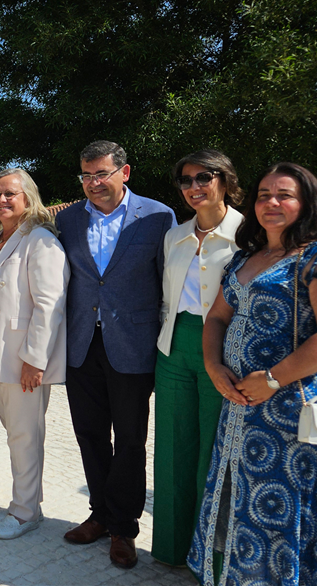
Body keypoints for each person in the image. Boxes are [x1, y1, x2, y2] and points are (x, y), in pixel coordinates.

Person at [189, 163, 317, 586]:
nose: (272, 203)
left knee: (278, 508)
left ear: (306, 203)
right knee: (237, 497)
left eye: (285, 195)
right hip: (239, 407)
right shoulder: (247, 257)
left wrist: (274, 378)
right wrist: (214, 367)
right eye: (264, 195)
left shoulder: (312, 257)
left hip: (286, 411)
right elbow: (216, 319)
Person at [56, 140, 176, 569]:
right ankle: (100, 516)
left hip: (133, 345)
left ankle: (123, 527)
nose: (93, 183)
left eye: (101, 174)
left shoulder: (160, 216)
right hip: (82, 344)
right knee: (89, 435)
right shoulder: (68, 219)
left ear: (124, 173)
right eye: (86, 176)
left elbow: (168, 283)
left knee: (129, 440)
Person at [151, 150, 245, 566]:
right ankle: (171, 549)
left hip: (224, 352)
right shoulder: (175, 235)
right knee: (172, 450)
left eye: (202, 178)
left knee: (215, 452)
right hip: (173, 347)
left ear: (224, 179)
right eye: (185, 181)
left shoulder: (249, 232)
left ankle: (211, 560)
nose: (193, 188)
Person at [0, 169, 69, 540]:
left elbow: (49, 304)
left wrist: (35, 359)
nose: (2, 200)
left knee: (24, 436)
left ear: (28, 199)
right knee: (16, 433)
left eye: (10, 194)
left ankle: (25, 513)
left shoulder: (39, 240)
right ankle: (27, 503)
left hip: (22, 358)